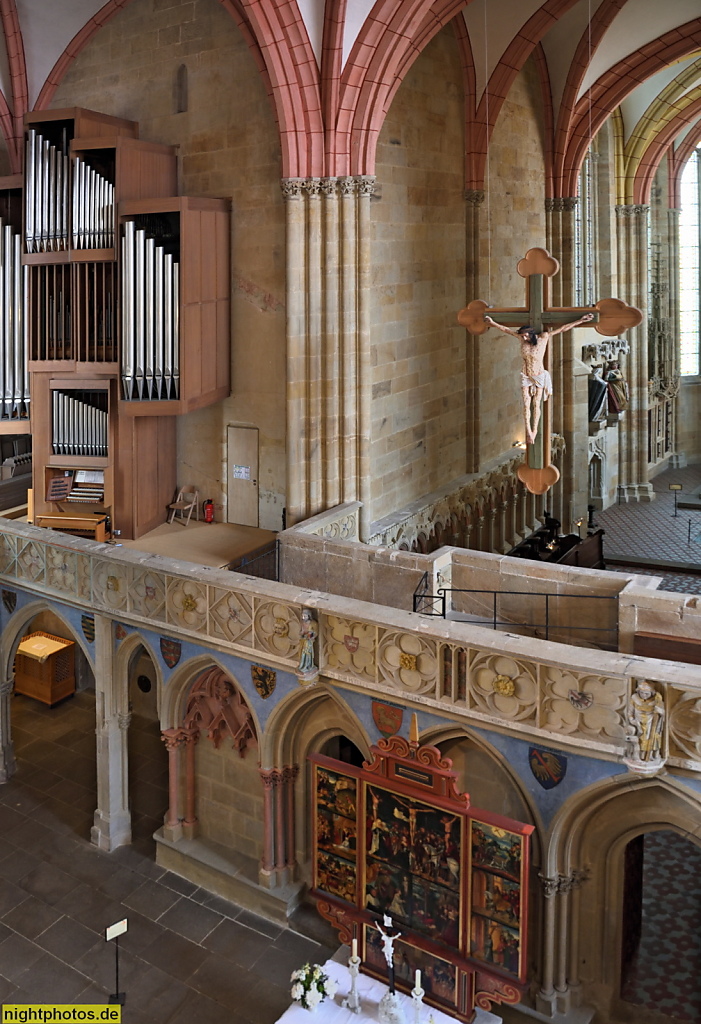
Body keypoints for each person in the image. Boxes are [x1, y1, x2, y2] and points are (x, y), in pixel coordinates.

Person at [484, 313, 595, 444]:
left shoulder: (543, 338)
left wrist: (580, 320)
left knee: (536, 403)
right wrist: (492, 323)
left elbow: (563, 329)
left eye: (526, 335)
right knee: (526, 404)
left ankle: (535, 430)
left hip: (539, 375)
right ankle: (528, 430)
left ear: (531, 334)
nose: (524, 338)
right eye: (522, 336)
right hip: (525, 375)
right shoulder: (522, 340)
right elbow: (506, 330)